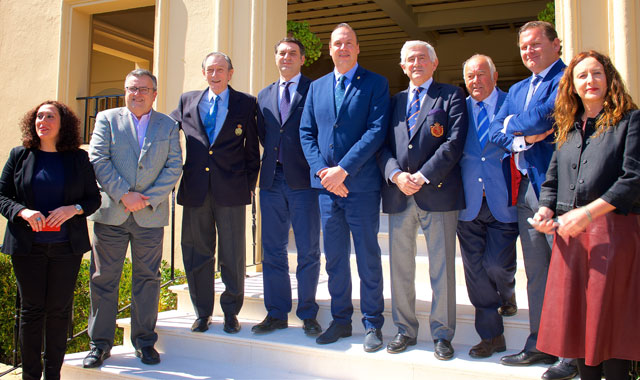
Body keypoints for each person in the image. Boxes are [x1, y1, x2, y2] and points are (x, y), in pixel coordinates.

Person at [531, 50, 640, 380]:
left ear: (609, 80)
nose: (589, 81)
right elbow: (552, 180)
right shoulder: (566, 126)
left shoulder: (631, 120)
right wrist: (544, 210)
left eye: (596, 74)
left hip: (614, 236)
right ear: (572, 85)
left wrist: (587, 214)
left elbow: (633, 178)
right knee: (577, 328)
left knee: (612, 328)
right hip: (571, 238)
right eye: (582, 76)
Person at [488, 21, 578, 380]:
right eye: (524, 47)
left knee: (566, 272)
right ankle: (540, 342)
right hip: (527, 187)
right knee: (538, 273)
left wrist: (514, 122)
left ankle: (570, 353)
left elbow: (542, 115)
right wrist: (523, 138)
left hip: (560, 190)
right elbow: (496, 131)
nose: (528, 52)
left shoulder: (566, 79)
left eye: (536, 44)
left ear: (556, 44)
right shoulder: (519, 87)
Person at [299, 23, 389, 352]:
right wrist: (325, 172)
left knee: (367, 256)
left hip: (361, 187)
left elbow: (376, 131)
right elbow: (306, 133)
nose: (343, 48)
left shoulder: (376, 84)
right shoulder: (317, 87)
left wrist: (343, 170)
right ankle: (340, 320)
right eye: (338, 43)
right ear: (330, 49)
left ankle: (372, 324)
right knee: (335, 258)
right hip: (326, 189)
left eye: (349, 43)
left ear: (358, 48)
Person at [84, 69, 182, 367]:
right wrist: (124, 194)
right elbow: (97, 158)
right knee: (103, 280)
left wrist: (147, 199)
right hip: (112, 213)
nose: (136, 94)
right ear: (125, 91)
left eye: (143, 89)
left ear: (154, 93)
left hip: (150, 216)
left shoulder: (168, 125)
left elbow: (174, 165)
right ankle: (99, 345)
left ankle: (143, 341)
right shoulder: (107, 119)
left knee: (148, 280)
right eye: (131, 88)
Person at [378, 40, 467, 360]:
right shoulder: (394, 102)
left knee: (442, 268)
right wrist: (396, 175)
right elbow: (382, 145)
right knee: (400, 267)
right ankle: (405, 329)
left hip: (438, 193)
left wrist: (422, 175)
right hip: (399, 193)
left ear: (434, 62)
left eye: (421, 58)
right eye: (409, 59)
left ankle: (442, 334)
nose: (415, 63)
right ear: (402, 67)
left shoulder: (452, 95)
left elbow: (454, 144)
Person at [0, 101, 100, 380]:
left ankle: (52, 374)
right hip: (27, 248)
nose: (42, 121)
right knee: (31, 312)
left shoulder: (78, 159)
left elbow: (93, 199)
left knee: (58, 311)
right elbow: (2, 196)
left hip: (66, 248)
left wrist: (74, 209)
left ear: (62, 123)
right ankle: (31, 376)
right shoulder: (20, 155)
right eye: (38, 116)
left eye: (49, 116)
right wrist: (22, 211)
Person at [170, 52, 259, 334]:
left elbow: (252, 152)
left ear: (231, 73)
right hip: (195, 189)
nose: (215, 74)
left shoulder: (246, 103)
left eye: (221, 69)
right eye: (210, 69)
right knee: (197, 253)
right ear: (204, 73)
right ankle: (202, 312)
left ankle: (231, 312)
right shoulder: (187, 100)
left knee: (232, 255)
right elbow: (166, 129)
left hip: (231, 190)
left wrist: (247, 187)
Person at [251, 38, 322, 336]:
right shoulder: (264, 94)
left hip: (304, 180)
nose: (286, 57)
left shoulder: (315, 90)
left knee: (307, 249)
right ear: (275, 57)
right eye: (281, 52)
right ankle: (277, 312)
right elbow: (264, 134)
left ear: (303, 59)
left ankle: (307, 312)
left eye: (293, 53)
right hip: (271, 180)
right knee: (273, 250)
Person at [456, 54, 519, 358]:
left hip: (503, 199)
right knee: (475, 273)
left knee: (497, 265)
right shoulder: (458, 108)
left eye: (481, 74)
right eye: (470, 76)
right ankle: (492, 336)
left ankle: (507, 292)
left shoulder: (512, 102)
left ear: (495, 76)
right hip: (467, 202)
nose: (475, 81)